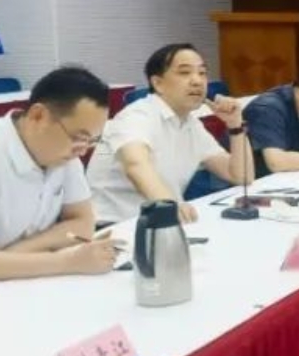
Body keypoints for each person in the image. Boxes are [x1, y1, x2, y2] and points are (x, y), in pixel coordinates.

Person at [0, 66, 119, 285]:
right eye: (79, 137)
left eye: (92, 140)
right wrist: (66, 261)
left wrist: (18, 253)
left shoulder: (64, 152)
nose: (83, 150)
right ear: (39, 116)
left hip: (16, 277)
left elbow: (82, 223)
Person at [86, 43, 254, 225]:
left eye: (202, 73)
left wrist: (235, 125)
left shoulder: (190, 123)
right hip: (114, 227)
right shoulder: (136, 116)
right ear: (158, 83)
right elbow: (135, 165)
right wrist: (171, 205)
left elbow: (240, 176)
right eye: (185, 72)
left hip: (163, 222)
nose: (197, 81)